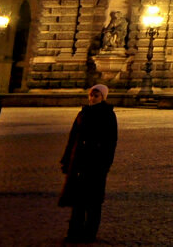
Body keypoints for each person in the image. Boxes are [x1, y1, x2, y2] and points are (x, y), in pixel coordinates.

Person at [60, 83, 118, 243]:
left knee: (93, 200)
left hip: (96, 163)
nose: (92, 98)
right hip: (79, 161)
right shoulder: (82, 113)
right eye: (91, 95)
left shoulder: (108, 115)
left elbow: (111, 142)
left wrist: (105, 164)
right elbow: (73, 138)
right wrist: (66, 160)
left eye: (96, 95)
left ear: (103, 97)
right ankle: (74, 231)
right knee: (78, 199)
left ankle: (89, 233)